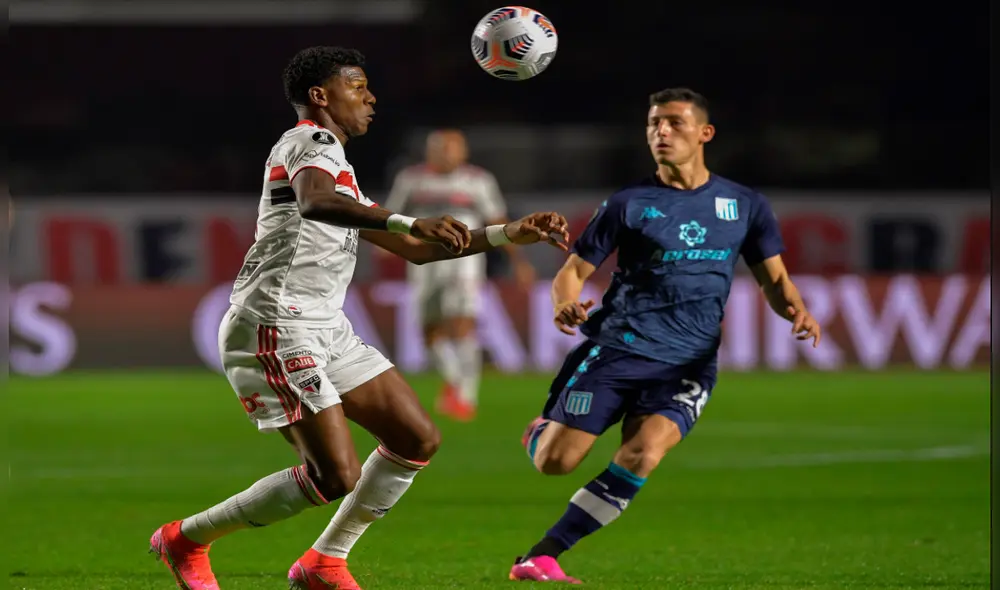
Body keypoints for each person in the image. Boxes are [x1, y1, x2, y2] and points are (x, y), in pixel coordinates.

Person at [147, 45, 570, 590]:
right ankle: (185, 538)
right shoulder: (310, 142)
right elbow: (316, 202)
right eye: (358, 86)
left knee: (415, 438)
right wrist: (407, 220)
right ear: (320, 96)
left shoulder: (338, 171)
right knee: (335, 475)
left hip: (327, 326)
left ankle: (324, 563)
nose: (370, 98)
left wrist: (508, 233)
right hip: (278, 322)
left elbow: (417, 249)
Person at [508, 88, 822, 584]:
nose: (662, 131)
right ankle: (539, 433)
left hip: (689, 363)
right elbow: (573, 271)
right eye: (654, 123)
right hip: (619, 348)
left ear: (705, 133)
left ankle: (544, 555)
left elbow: (775, 279)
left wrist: (796, 310)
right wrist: (563, 303)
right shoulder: (629, 204)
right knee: (556, 462)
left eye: (675, 122)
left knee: (643, 453)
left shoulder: (744, 204)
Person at [382, 129, 536, 421]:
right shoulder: (411, 179)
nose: (446, 154)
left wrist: (519, 261)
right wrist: (390, 244)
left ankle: (466, 396)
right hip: (423, 262)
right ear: (429, 152)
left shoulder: (478, 180)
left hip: (464, 261)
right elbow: (392, 217)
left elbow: (497, 220)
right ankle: (454, 380)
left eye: (452, 148)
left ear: (463, 152)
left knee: (463, 322)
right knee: (428, 329)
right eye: (440, 148)